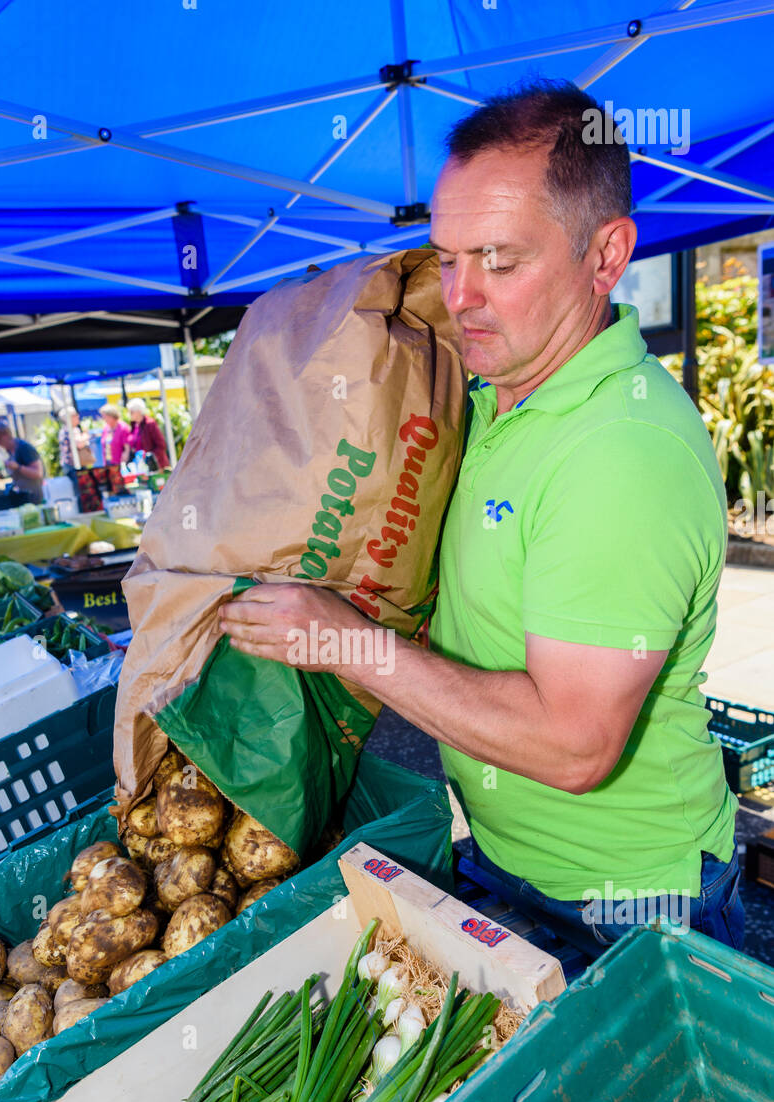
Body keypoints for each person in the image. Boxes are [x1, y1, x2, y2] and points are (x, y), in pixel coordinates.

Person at [216, 80, 745, 953]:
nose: (459, 295)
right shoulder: (501, 397)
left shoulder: (619, 450)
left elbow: (574, 747)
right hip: (509, 854)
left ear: (606, 255)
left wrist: (345, 640)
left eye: (499, 260)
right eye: (448, 258)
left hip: (628, 904)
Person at [0, 423, 46, 502]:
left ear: (6, 435)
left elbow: (38, 473)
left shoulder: (24, 448)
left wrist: (18, 467)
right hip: (22, 496)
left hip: (34, 496)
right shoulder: (9, 451)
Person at [124, 398, 169, 471]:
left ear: (138, 411)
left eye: (131, 412)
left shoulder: (150, 424)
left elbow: (161, 445)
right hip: (140, 466)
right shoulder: (134, 426)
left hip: (154, 466)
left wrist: (150, 458)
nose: (129, 414)